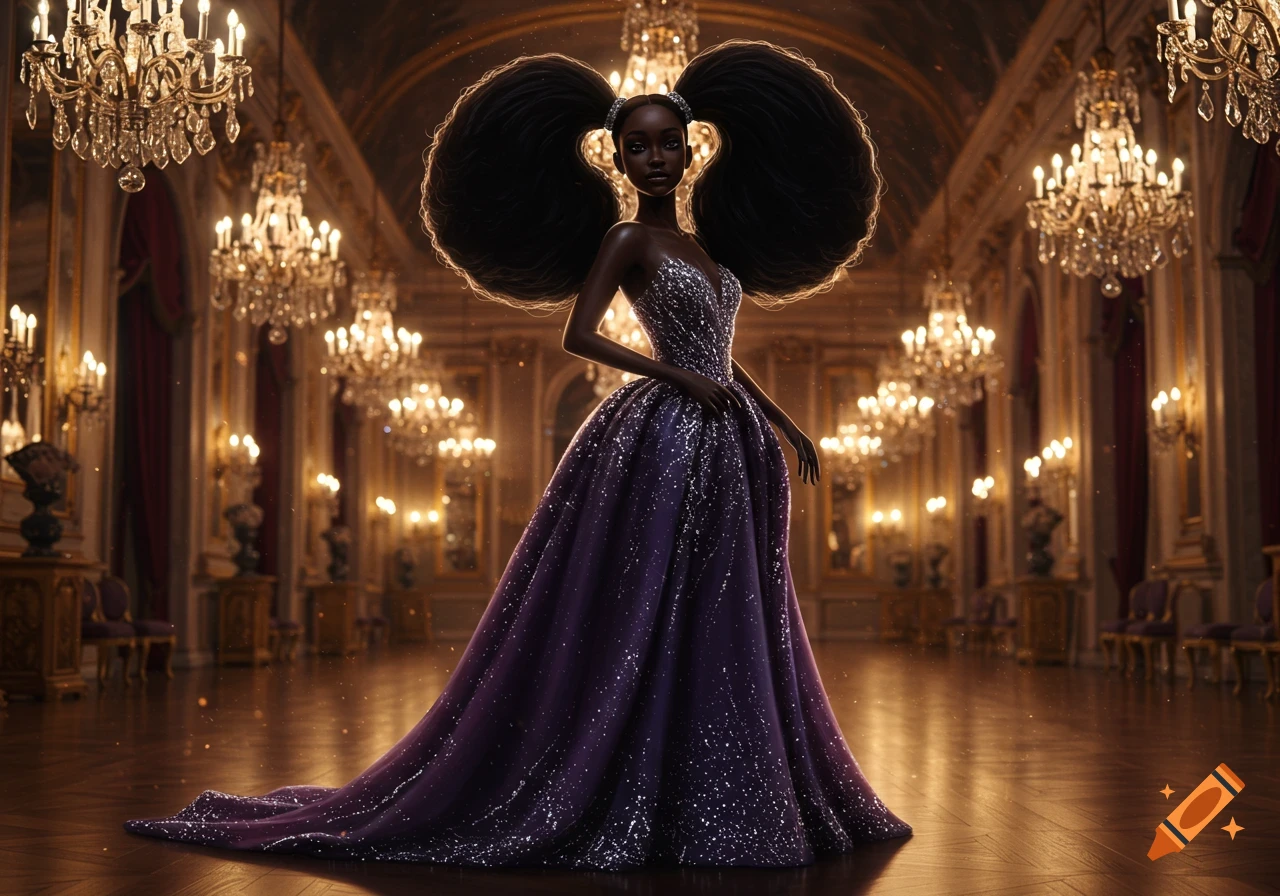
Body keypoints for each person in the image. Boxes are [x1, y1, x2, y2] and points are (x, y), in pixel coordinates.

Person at [125, 40, 911, 869]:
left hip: (730, 441)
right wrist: (678, 376)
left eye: (666, 145)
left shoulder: (713, 254)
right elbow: (581, 336)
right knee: (649, 595)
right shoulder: (622, 243)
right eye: (635, 146)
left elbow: (724, 347)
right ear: (613, 156)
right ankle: (624, 771)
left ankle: (709, 777)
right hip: (667, 436)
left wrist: (781, 420)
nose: (652, 158)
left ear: (694, 148)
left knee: (724, 603)